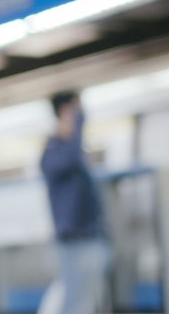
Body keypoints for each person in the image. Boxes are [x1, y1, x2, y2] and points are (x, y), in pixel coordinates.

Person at [38, 92, 110, 314]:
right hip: (73, 242)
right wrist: (75, 124)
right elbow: (71, 157)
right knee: (73, 303)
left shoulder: (71, 153)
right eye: (76, 112)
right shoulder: (53, 153)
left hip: (90, 238)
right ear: (64, 113)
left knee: (85, 303)